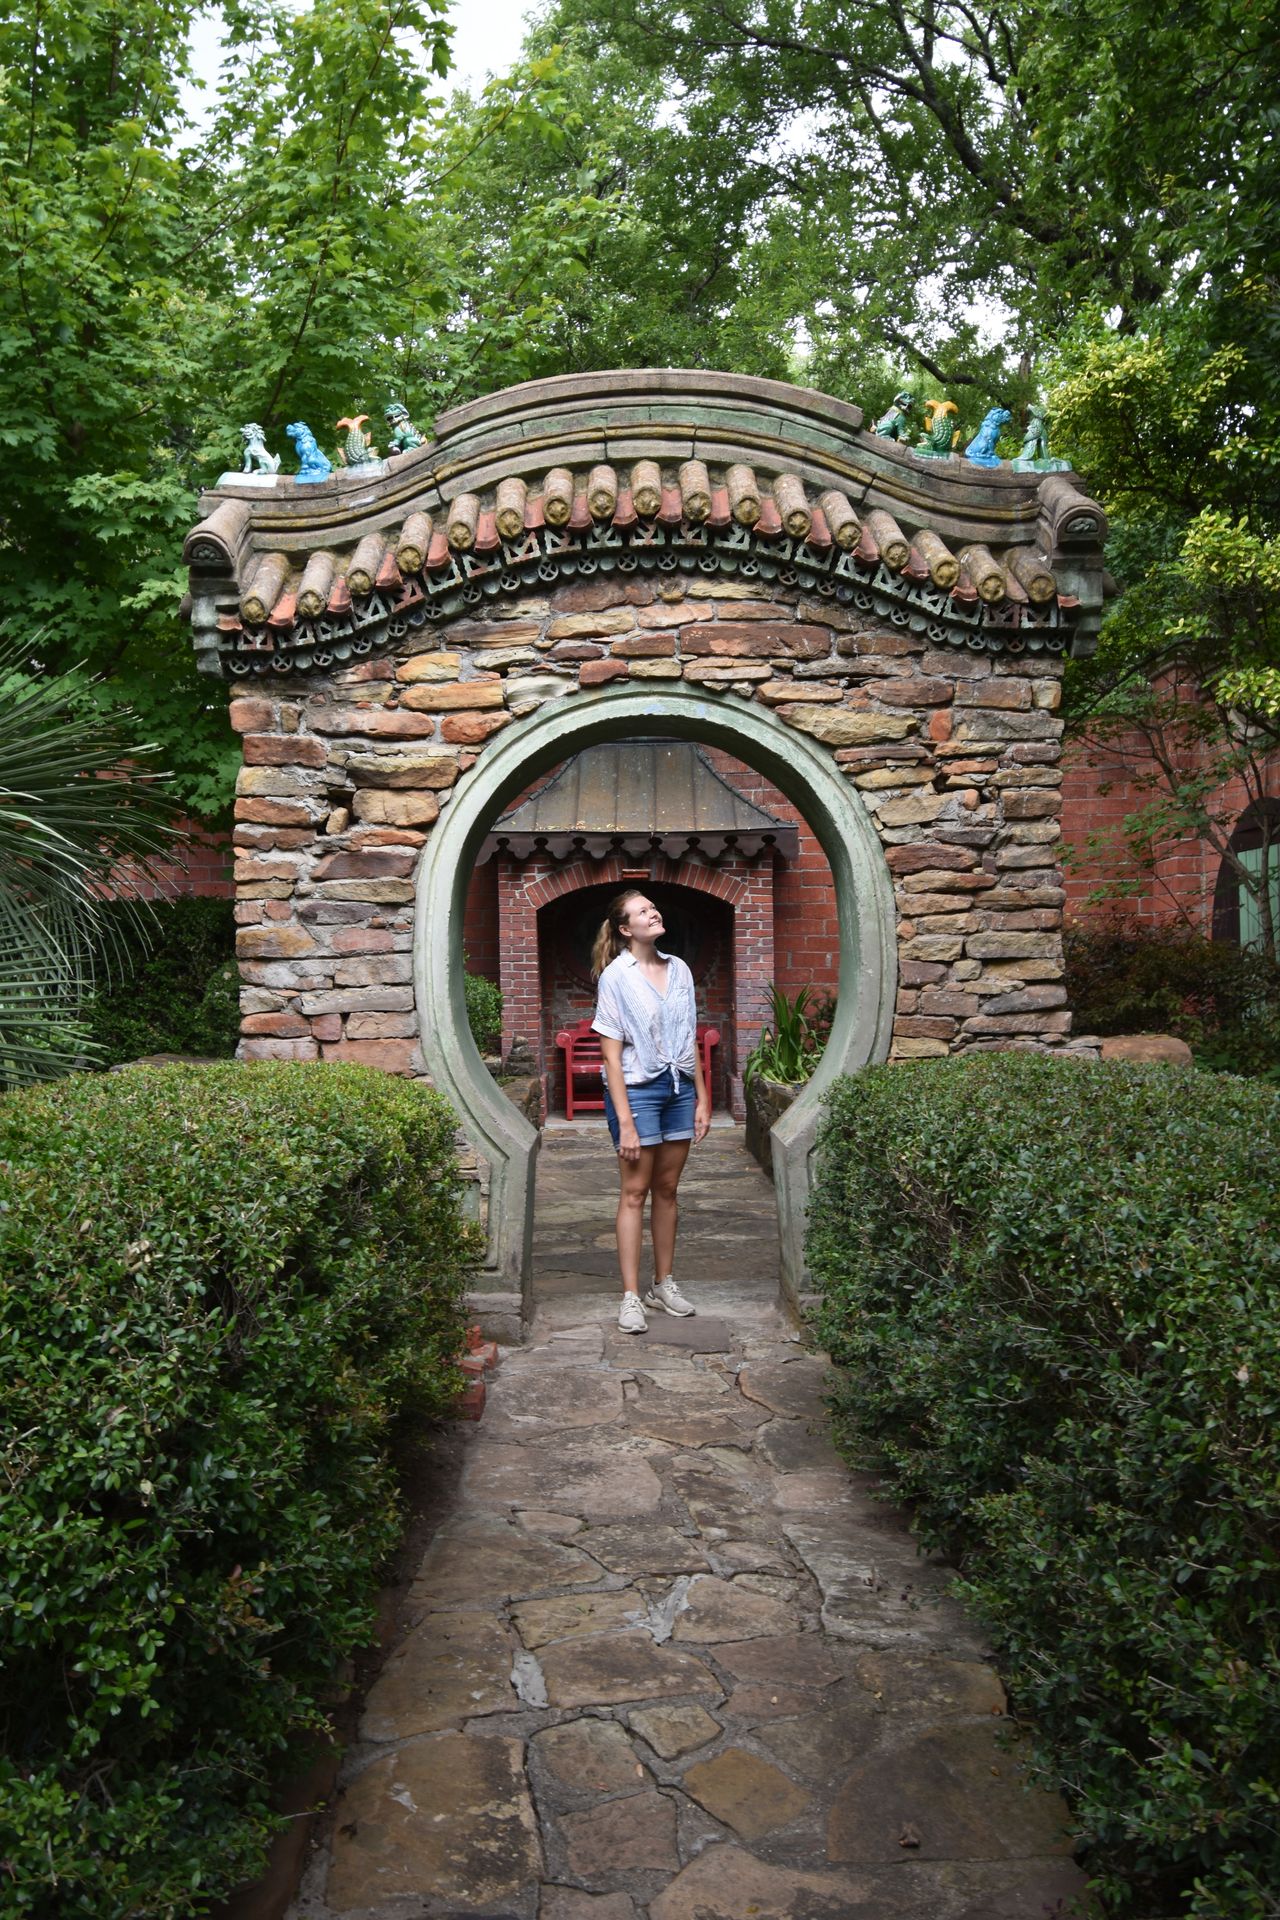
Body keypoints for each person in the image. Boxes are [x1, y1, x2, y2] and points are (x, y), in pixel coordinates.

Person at [590, 889, 711, 1333]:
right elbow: (611, 1056)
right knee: (634, 1192)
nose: (653, 912)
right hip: (637, 1092)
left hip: (679, 1088)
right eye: (643, 911)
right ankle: (629, 1296)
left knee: (667, 1189)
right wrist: (624, 1123)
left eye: (653, 907)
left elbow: (689, 1037)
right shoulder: (616, 977)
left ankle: (663, 1284)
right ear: (626, 929)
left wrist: (702, 1098)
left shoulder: (679, 969)